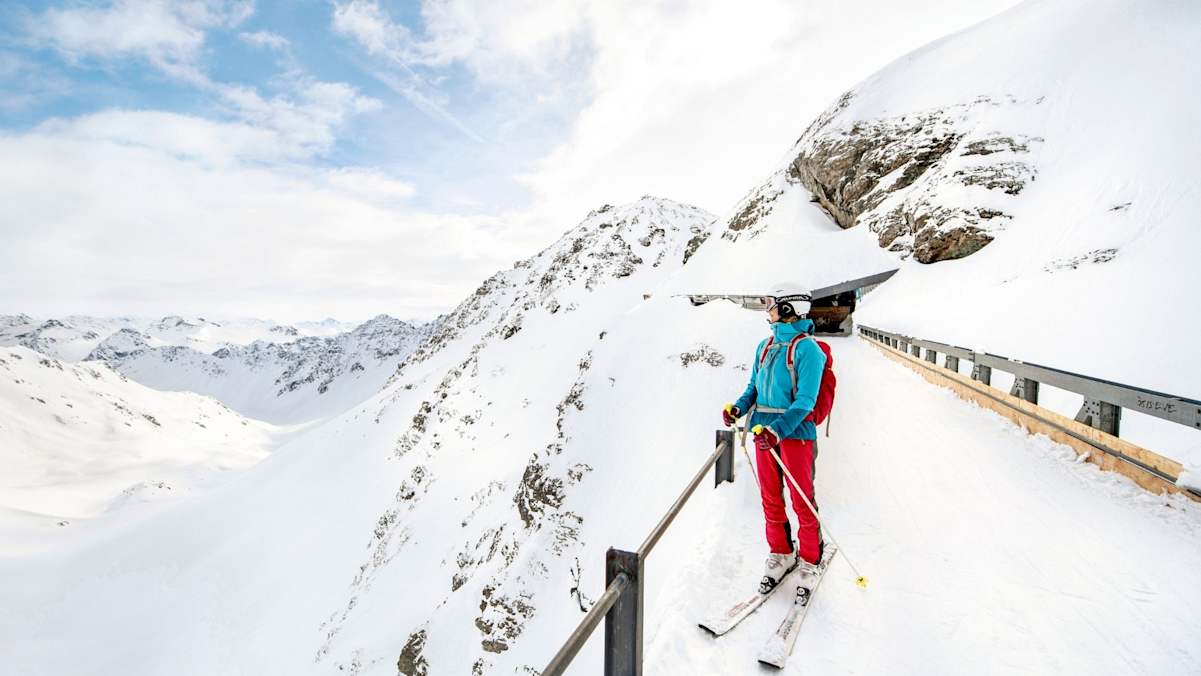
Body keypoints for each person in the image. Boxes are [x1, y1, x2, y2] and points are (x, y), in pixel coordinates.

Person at [722, 283, 827, 594]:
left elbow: (806, 401)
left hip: (795, 435)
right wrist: (738, 408)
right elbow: (753, 387)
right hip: (762, 434)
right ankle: (781, 552)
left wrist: (777, 430)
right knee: (770, 497)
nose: (766, 308)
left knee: (801, 500)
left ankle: (811, 558)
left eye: (770, 303)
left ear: (788, 308)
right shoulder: (765, 347)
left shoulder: (809, 350)